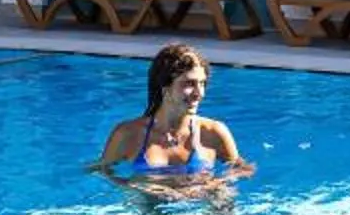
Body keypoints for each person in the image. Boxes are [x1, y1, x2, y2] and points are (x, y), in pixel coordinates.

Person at [95, 42, 254, 181]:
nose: (199, 93)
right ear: (165, 87)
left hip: (200, 211)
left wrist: (214, 185)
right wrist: (134, 186)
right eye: (189, 83)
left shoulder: (213, 132)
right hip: (148, 212)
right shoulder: (128, 134)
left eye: (202, 83)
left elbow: (244, 170)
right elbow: (100, 171)